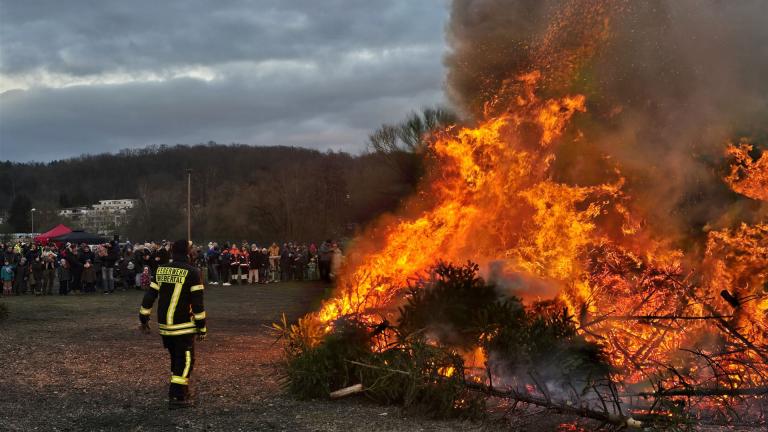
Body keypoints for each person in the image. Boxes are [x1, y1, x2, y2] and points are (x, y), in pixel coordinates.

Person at [139, 240, 207, 409]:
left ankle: (180, 390)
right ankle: (178, 397)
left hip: (165, 326)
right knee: (185, 361)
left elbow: (150, 296)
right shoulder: (192, 272)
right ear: (187, 253)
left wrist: (144, 317)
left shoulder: (161, 269)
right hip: (183, 325)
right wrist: (202, 327)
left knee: (175, 358)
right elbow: (198, 304)